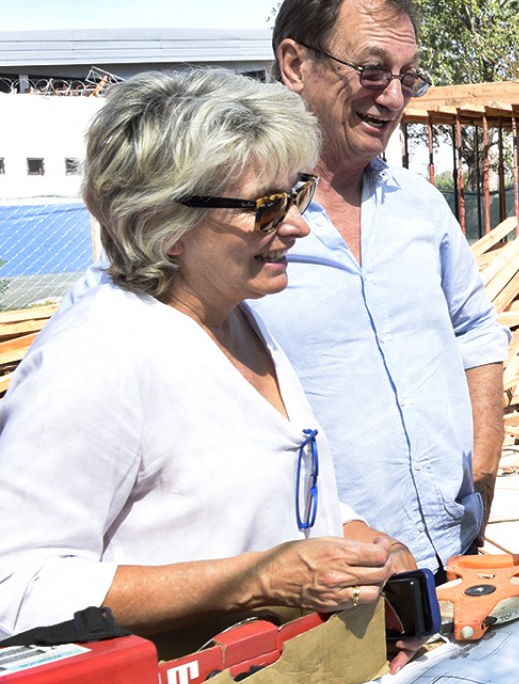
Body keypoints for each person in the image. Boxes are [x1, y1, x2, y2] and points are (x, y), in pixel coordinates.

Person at [0, 68, 414, 639]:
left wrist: (355, 534)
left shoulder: (233, 316)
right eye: (265, 206)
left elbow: (246, 505)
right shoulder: (96, 358)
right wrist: (257, 581)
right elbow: (16, 587)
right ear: (162, 223)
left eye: (296, 193)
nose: (297, 225)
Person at [263, 0, 510, 572]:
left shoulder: (420, 206)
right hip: (328, 581)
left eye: (409, 76)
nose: (394, 97)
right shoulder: (243, 226)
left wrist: (480, 475)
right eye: (372, 69)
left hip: (454, 552)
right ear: (295, 64)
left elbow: (476, 330)